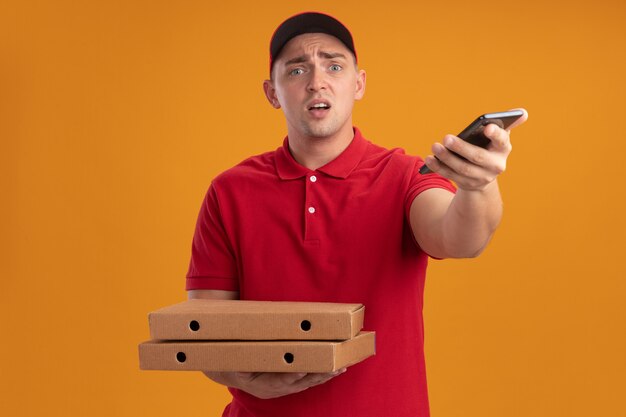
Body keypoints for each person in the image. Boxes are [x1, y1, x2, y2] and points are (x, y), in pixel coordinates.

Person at [185, 11, 527, 417]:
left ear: (358, 83)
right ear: (272, 92)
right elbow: (204, 330)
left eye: (333, 65)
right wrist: (248, 379)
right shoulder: (230, 190)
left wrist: (478, 184)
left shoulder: (403, 175)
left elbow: (459, 238)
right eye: (296, 70)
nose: (317, 81)